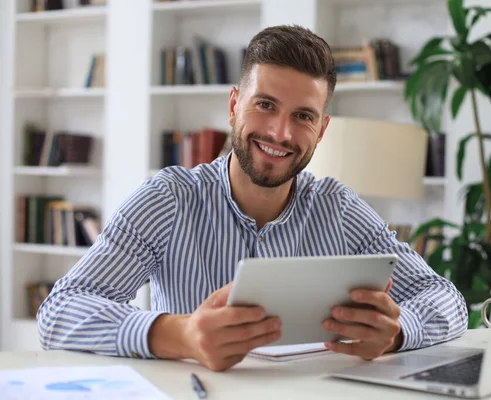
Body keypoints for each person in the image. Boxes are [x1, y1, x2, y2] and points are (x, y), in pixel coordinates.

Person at [37, 25, 468, 372]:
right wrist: (179, 334)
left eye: (302, 116)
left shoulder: (339, 208)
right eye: (265, 105)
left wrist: (397, 332)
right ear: (233, 106)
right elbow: (58, 312)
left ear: (321, 130)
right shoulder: (168, 199)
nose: (280, 133)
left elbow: (445, 297)